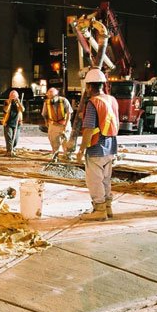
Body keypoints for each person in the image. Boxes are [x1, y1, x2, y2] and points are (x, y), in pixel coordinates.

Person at [75, 68, 120, 221]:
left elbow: (88, 129)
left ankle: (99, 210)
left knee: (94, 181)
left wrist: (81, 150)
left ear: (88, 86)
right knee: (106, 179)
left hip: (96, 148)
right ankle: (108, 208)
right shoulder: (111, 99)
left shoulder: (93, 103)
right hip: (111, 146)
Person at [41, 87, 72, 157]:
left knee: (66, 140)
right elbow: (44, 114)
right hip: (53, 124)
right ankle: (55, 155)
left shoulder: (64, 101)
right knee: (53, 140)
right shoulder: (47, 103)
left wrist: (66, 125)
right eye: (49, 96)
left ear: (57, 95)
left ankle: (67, 156)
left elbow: (69, 113)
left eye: (52, 96)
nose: (51, 98)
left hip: (64, 123)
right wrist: (46, 123)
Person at [2, 90, 24, 156]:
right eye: (12, 96)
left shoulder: (19, 102)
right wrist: (10, 103)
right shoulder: (6, 102)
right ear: (9, 96)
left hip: (17, 123)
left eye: (14, 96)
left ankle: (13, 148)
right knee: (9, 138)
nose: (13, 97)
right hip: (8, 123)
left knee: (16, 138)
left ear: (17, 96)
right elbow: (5, 110)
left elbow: (22, 109)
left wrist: (18, 103)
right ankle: (9, 150)